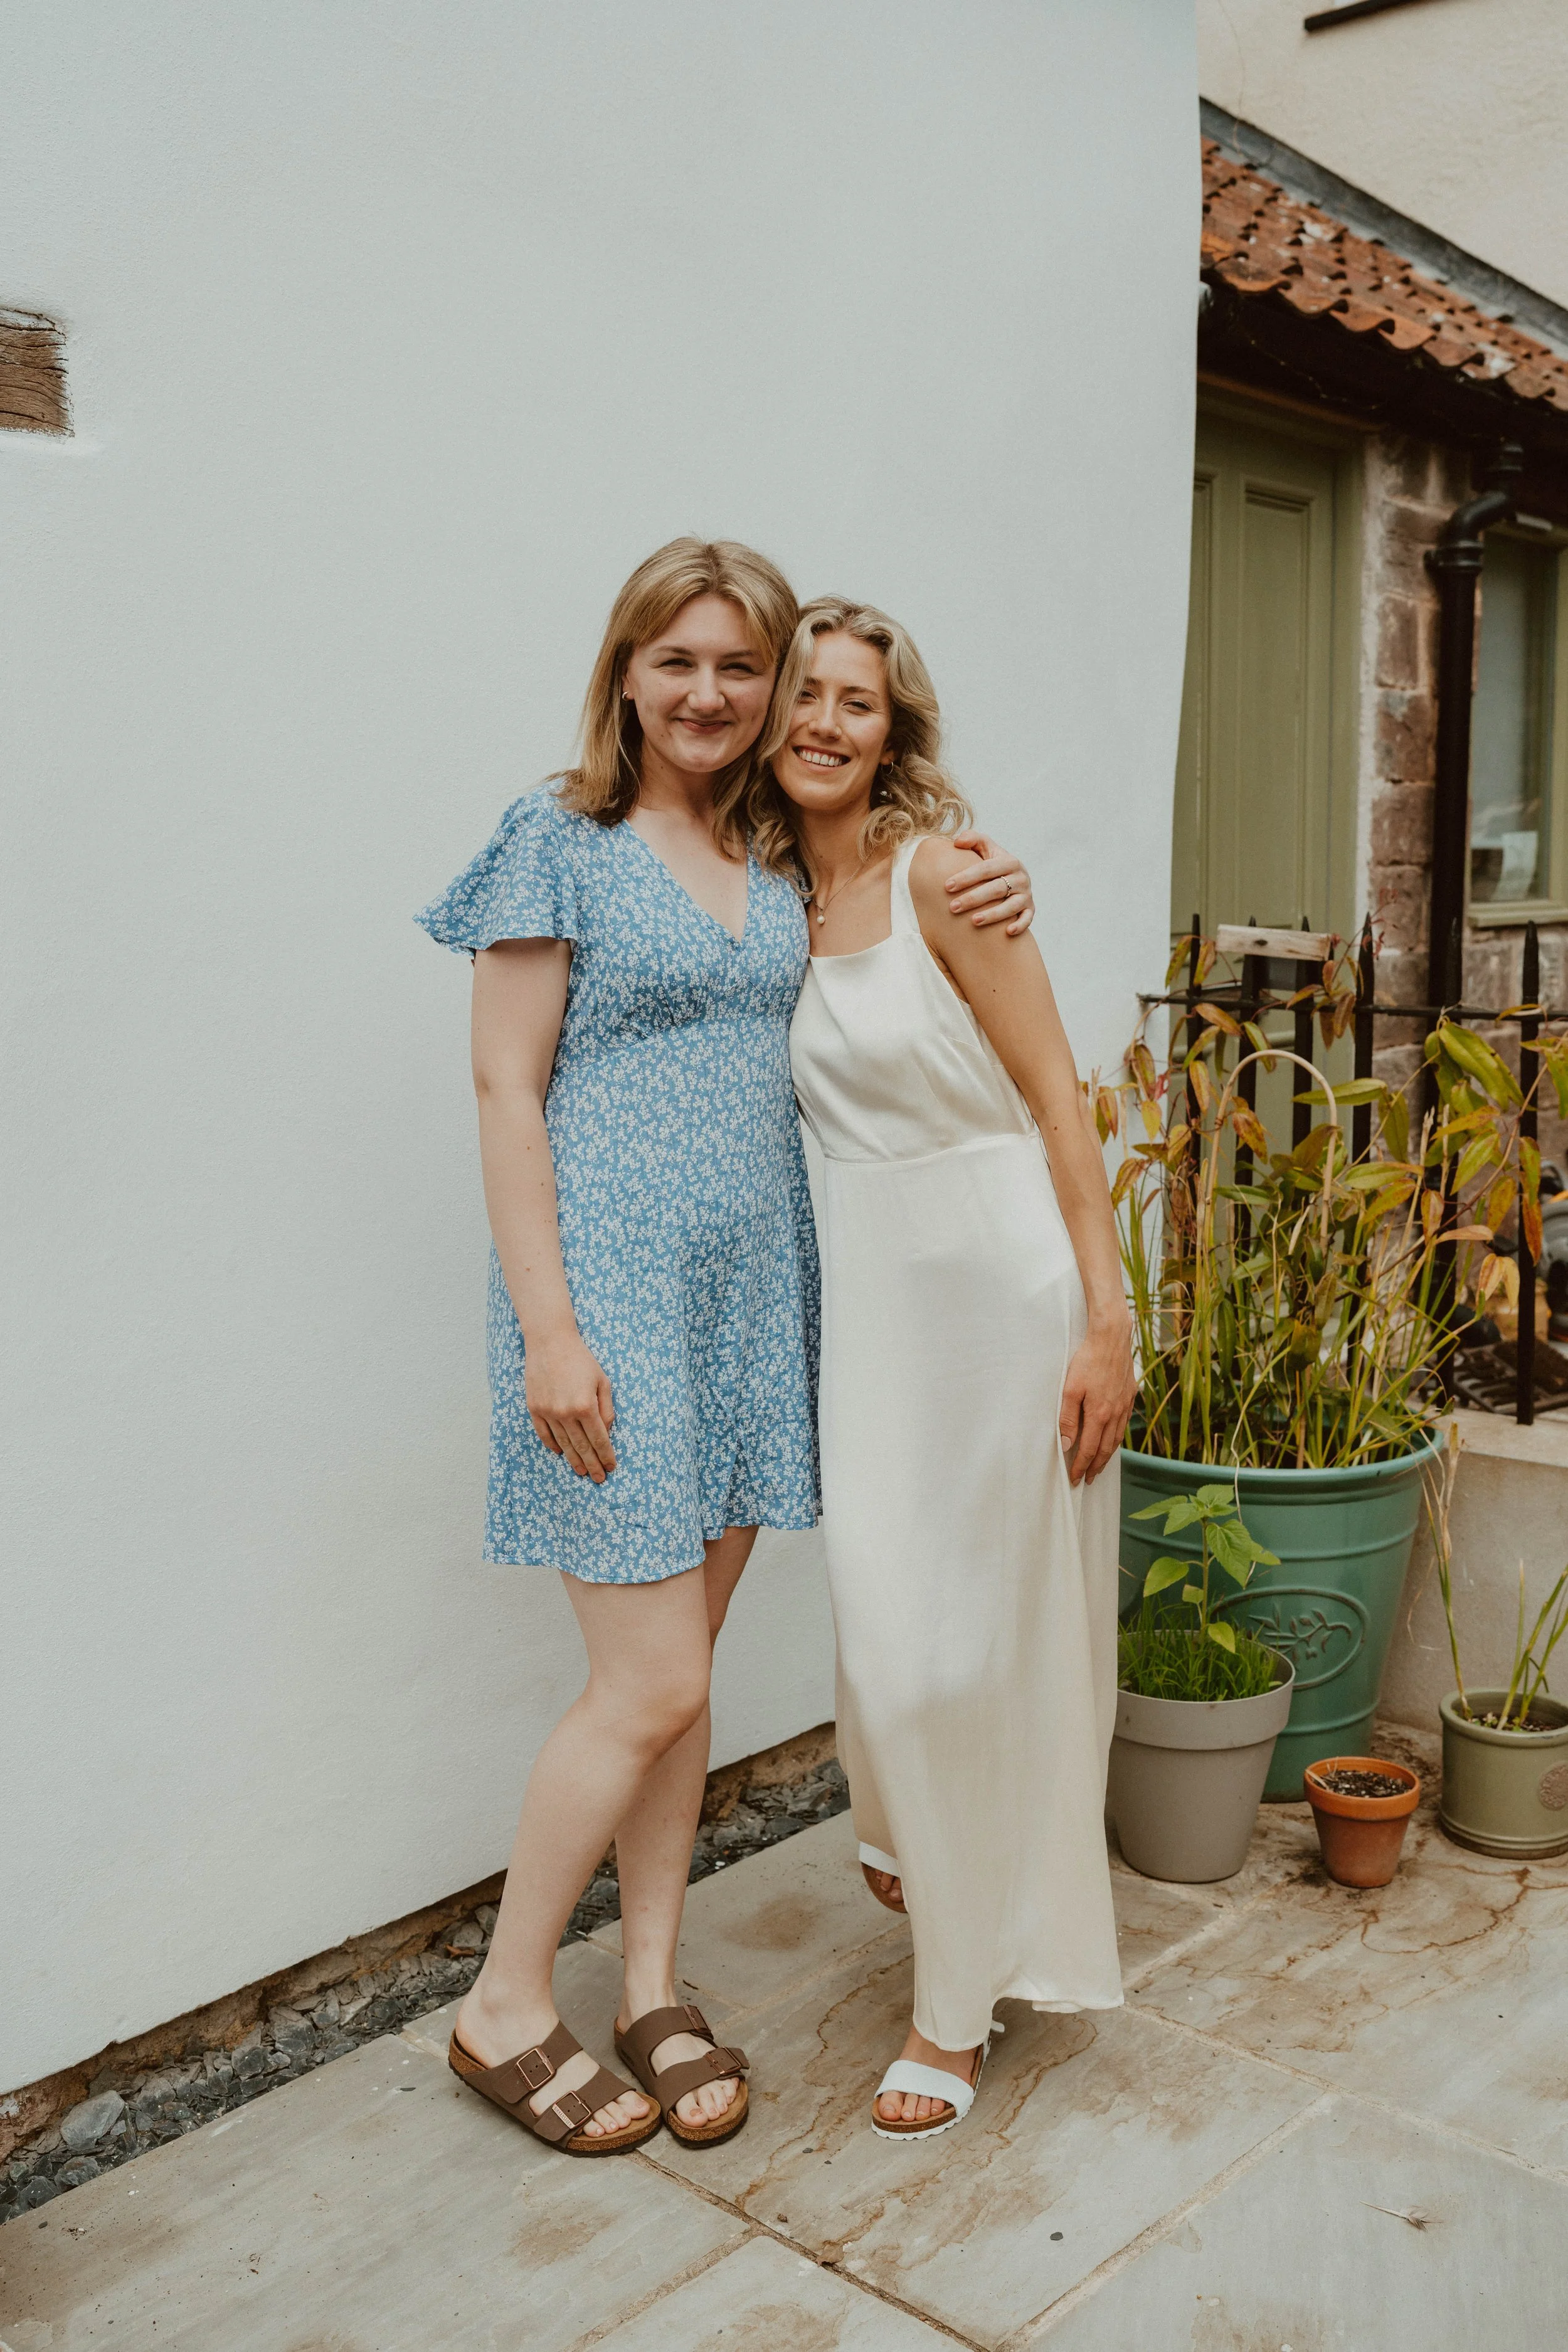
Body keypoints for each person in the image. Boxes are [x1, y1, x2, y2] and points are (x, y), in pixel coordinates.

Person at [416, 539, 1036, 2155]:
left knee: (679, 1690)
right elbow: (501, 1088)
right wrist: (550, 1327)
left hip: (755, 1300)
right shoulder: (553, 839)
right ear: (624, 671)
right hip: (608, 1300)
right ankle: (502, 2005)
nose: (709, 692)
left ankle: (654, 1986)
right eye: (675, 660)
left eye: (736, 667)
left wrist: (988, 873)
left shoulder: (774, 851)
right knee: (651, 1679)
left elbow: (897, 919)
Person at [761, 596, 1135, 2141]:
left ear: (890, 730)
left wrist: (1106, 1323)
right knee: (885, 1622)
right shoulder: (768, 891)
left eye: (857, 702)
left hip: (998, 1286)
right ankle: (924, 1830)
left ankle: (957, 2002)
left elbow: (1058, 1101)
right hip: (872, 1302)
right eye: (804, 694)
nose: (825, 723)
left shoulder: (943, 876)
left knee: (979, 1646)